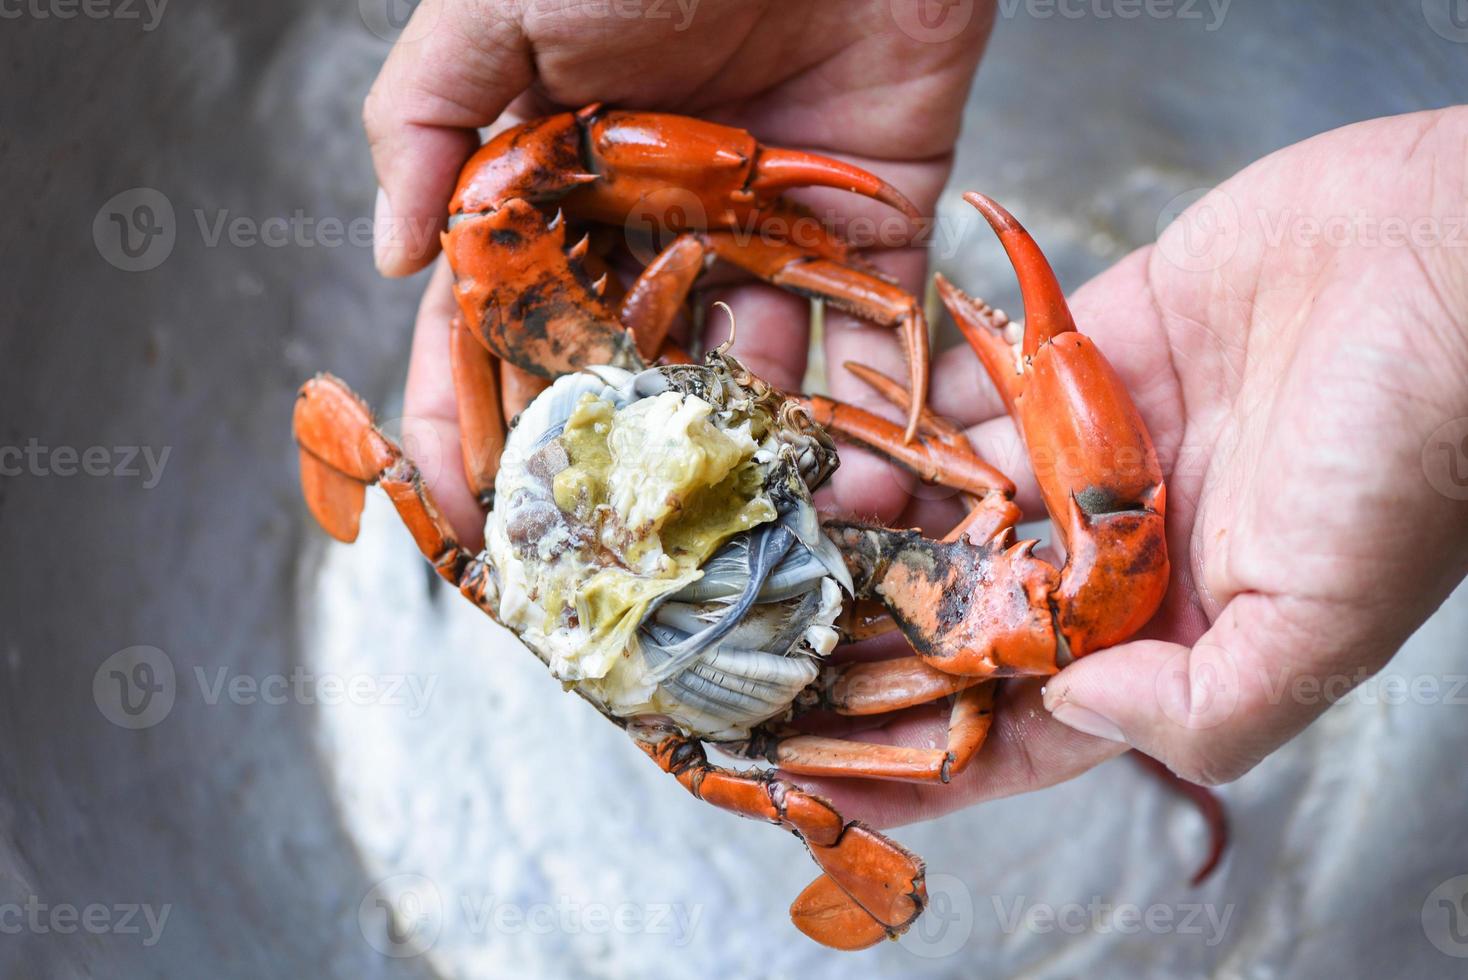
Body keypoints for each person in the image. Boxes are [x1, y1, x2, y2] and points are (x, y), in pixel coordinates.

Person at [362, 0, 1468, 826]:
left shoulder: (570, 391)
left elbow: (1099, 583)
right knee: (507, 199)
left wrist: (1436, 264)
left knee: (500, 204)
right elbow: (520, 187)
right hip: (774, 600)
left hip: (648, 487)